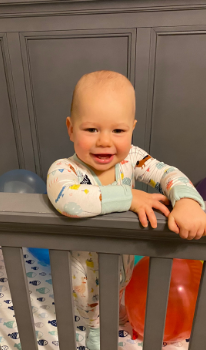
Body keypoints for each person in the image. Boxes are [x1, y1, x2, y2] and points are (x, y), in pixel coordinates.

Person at [47, 70, 206, 350]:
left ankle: (120, 311)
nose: (105, 141)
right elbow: (68, 199)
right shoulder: (65, 169)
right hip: (85, 275)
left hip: (122, 263)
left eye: (118, 130)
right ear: (71, 128)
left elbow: (168, 174)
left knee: (120, 289)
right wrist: (130, 197)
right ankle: (95, 334)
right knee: (95, 313)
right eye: (91, 129)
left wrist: (187, 201)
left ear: (132, 128)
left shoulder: (132, 158)